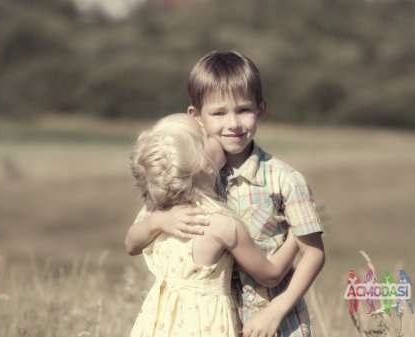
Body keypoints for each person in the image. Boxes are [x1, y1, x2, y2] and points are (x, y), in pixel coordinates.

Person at [126, 51, 326, 337]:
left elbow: (313, 254)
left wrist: (277, 309)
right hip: (208, 323)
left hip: (271, 322)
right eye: (219, 113)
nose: (233, 123)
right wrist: (159, 221)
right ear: (195, 116)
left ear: (261, 109)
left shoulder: (285, 180)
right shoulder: (187, 174)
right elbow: (133, 240)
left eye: (243, 110)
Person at [128, 113, 300, 337]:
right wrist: (298, 232)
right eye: (208, 135)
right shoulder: (222, 225)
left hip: (156, 325)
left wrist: (157, 222)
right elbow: (270, 274)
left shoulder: (159, 210)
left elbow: (131, 244)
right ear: (205, 165)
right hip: (204, 327)